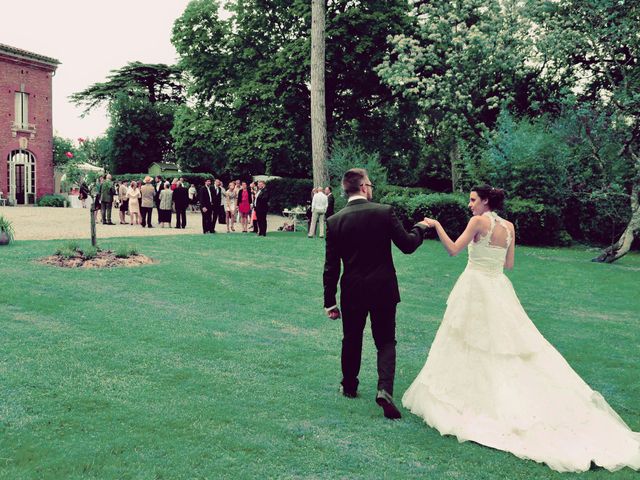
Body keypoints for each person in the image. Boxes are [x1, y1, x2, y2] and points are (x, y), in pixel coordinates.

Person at [403, 185, 640, 472]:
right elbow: (510, 263)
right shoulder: (509, 226)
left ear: (486, 201)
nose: (470, 205)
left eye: (473, 200)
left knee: (470, 340)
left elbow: (454, 250)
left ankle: (475, 400)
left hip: (476, 285)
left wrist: (437, 225)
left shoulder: (478, 221)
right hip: (498, 286)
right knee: (499, 345)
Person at [323, 168, 428, 419]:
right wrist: (421, 228)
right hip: (383, 288)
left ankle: (349, 385)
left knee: (351, 338)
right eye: (369, 184)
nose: (372, 188)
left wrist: (330, 302)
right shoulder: (384, 212)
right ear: (362, 187)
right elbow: (407, 245)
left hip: (352, 290)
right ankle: (384, 389)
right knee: (385, 341)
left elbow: (330, 266)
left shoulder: (335, 221)